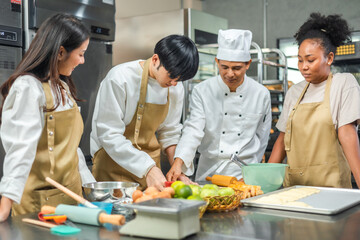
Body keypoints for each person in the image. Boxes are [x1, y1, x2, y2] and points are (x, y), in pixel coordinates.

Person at [0, 13, 95, 221]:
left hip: (72, 198)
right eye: (80, 53)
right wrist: (5, 204)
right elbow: (21, 148)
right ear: (61, 52)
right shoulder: (28, 87)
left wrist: (90, 187)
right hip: (41, 204)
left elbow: (71, 149)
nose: (83, 60)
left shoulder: (62, 86)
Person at [90, 35, 199, 191]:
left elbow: (169, 132)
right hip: (112, 167)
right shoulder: (120, 78)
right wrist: (147, 168)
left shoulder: (175, 87)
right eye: (172, 76)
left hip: (152, 170)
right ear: (155, 59)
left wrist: (177, 167)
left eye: (179, 79)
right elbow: (109, 134)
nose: (174, 83)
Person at [268, 13, 360, 188]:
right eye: (300, 60)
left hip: (331, 188)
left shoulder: (344, 83)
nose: (304, 67)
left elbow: (347, 133)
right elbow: (282, 140)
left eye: (310, 60)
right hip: (294, 188)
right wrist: (265, 184)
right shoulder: (294, 92)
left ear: (330, 58)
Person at [167, 29, 272, 182]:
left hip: (245, 173)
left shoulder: (261, 93)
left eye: (236, 68)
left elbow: (262, 137)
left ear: (248, 64)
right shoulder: (202, 91)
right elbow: (193, 129)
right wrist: (178, 162)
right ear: (217, 62)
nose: (230, 74)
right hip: (210, 172)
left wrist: (253, 172)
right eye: (224, 67)